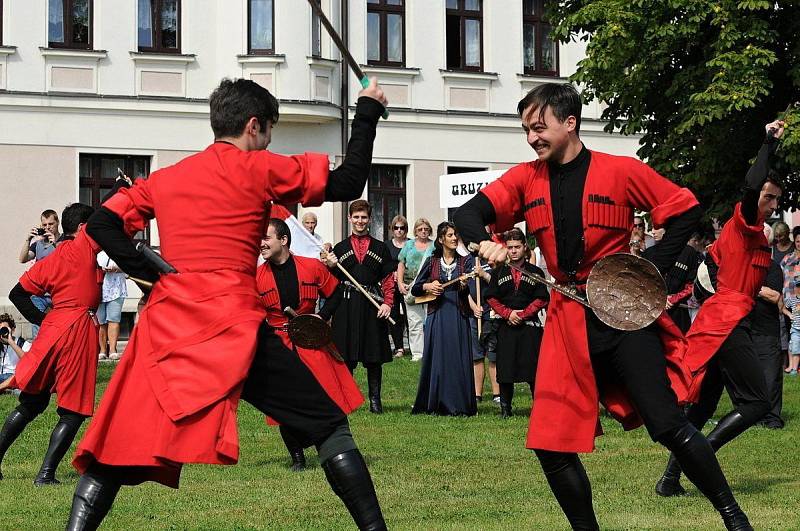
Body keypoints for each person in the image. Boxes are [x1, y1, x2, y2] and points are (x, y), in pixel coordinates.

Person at [64, 77, 388, 530]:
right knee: (330, 426)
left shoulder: (167, 177)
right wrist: (368, 110)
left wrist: (157, 274)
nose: (269, 142)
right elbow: (350, 179)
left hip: (167, 326)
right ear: (253, 126)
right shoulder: (258, 168)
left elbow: (100, 222)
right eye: (269, 132)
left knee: (116, 445)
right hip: (234, 324)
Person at [455, 82, 752, 530]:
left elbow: (685, 209)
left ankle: (734, 518)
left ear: (569, 123)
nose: (532, 137)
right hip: (566, 320)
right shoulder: (524, 178)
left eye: (540, 127)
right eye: (526, 130)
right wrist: (484, 242)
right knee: (551, 444)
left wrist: (648, 267)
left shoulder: (620, 170)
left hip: (623, 317)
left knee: (667, 424)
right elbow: (467, 215)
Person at [653, 120, 784, 512]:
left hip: (723, 318)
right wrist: (768, 143)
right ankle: (703, 455)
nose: (773, 205)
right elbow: (750, 185)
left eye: (778, 199)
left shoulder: (758, 235)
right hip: (726, 319)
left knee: (704, 407)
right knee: (758, 402)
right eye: (769, 197)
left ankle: (670, 479)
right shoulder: (744, 224)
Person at [253, 218, 385, 524]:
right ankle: (297, 455)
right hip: (280, 345)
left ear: (284, 240)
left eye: (266, 238)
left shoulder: (312, 267)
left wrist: (321, 317)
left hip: (311, 341)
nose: (261, 243)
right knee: (286, 403)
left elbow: (337, 292)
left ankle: (335, 445)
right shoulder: (256, 278)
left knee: (326, 396)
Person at [0, 203, 99, 486]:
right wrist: (120, 188)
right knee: (74, 410)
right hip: (77, 330)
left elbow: (16, 294)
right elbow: (112, 216)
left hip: (53, 329)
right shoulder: (84, 247)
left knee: (33, 399)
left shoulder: (53, 258)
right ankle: (45, 474)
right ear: (83, 229)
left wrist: (43, 320)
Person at [330, 200, 395, 415]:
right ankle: (347, 400)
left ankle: (375, 401)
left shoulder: (380, 248)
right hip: (346, 306)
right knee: (346, 356)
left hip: (372, 305)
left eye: (364, 217)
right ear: (350, 218)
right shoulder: (339, 249)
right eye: (356, 217)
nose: (360, 221)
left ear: (369, 219)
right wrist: (328, 264)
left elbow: (388, 279)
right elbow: (331, 281)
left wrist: (387, 303)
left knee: (373, 357)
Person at [411, 221, 478, 416]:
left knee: (457, 357)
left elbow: (469, 291)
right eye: (450, 235)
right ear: (441, 239)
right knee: (438, 357)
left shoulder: (466, 262)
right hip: (437, 314)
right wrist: (428, 286)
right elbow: (416, 288)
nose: (454, 238)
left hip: (458, 313)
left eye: (455, 234)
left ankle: (460, 403)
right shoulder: (432, 262)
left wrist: (465, 286)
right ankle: (435, 402)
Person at [485, 228, 548, 418]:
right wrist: (507, 313)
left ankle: (539, 408)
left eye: (517, 247)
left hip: (530, 327)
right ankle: (506, 408)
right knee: (505, 370)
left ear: (524, 247)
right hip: (506, 326)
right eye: (510, 247)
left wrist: (524, 314)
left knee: (533, 369)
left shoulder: (535, 272)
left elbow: (542, 298)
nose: (513, 251)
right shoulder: (498, 272)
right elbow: (491, 297)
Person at [19, 209, 61, 338]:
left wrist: (55, 243)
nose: (48, 227)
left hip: (58, 291)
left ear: (57, 223)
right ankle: (39, 351)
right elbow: (22, 259)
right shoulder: (37, 244)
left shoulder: (65, 241)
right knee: (38, 326)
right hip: (39, 293)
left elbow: (67, 260)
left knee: (59, 325)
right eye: (44, 225)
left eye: (51, 224)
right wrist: (28, 239)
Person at [397, 218, 434, 361]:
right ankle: (418, 354)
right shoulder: (409, 245)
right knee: (414, 322)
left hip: (428, 287)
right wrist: (400, 283)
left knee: (430, 320)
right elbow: (401, 263)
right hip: (410, 287)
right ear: (415, 231)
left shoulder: (434, 246)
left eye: (426, 229)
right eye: (420, 229)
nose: (423, 231)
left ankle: (431, 350)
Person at [754, 260, 785, 428]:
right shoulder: (739, 264)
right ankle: (751, 416)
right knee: (748, 376)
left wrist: (750, 286)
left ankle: (772, 417)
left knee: (770, 377)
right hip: (743, 328)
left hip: (766, 330)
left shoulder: (771, 266)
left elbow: (774, 296)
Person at [662, 231, 707, 333]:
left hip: (677, 310)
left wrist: (672, 299)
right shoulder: (654, 252)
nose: (653, 232)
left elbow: (691, 286)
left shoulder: (690, 254)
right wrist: (660, 298)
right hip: (656, 308)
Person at [386, 214, 410, 358]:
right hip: (392, 285)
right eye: (396, 228)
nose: (399, 230)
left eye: (402, 228)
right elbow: (384, 264)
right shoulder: (387, 246)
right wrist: (393, 273)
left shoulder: (412, 244)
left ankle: (415, 346)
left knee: (411, 316)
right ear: (392, 229)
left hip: (408, 284)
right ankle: (399, 347)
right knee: (394, 315)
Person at [96, 251, 127, 361]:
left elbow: (129, 267)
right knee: (101, 321)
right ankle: (102, 350)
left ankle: (113, 350)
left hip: (116, 288)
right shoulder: (95, 250)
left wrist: (117, 269)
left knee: (114, 319)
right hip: (98, 288)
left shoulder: (119, 248)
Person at [0, 314, 31, 387]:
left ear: (12, 329)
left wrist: (11, 342)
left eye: (3, 329)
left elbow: (29, 361)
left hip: (14, 377)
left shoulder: (22, 344)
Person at [782, 280, 800, 375]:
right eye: (797, 287)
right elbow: (783, 308)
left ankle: (794, 368)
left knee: (795, 347)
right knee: (794, 347)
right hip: (796, 329)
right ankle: (793, 368)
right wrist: (789, 314)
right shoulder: (792, 299)